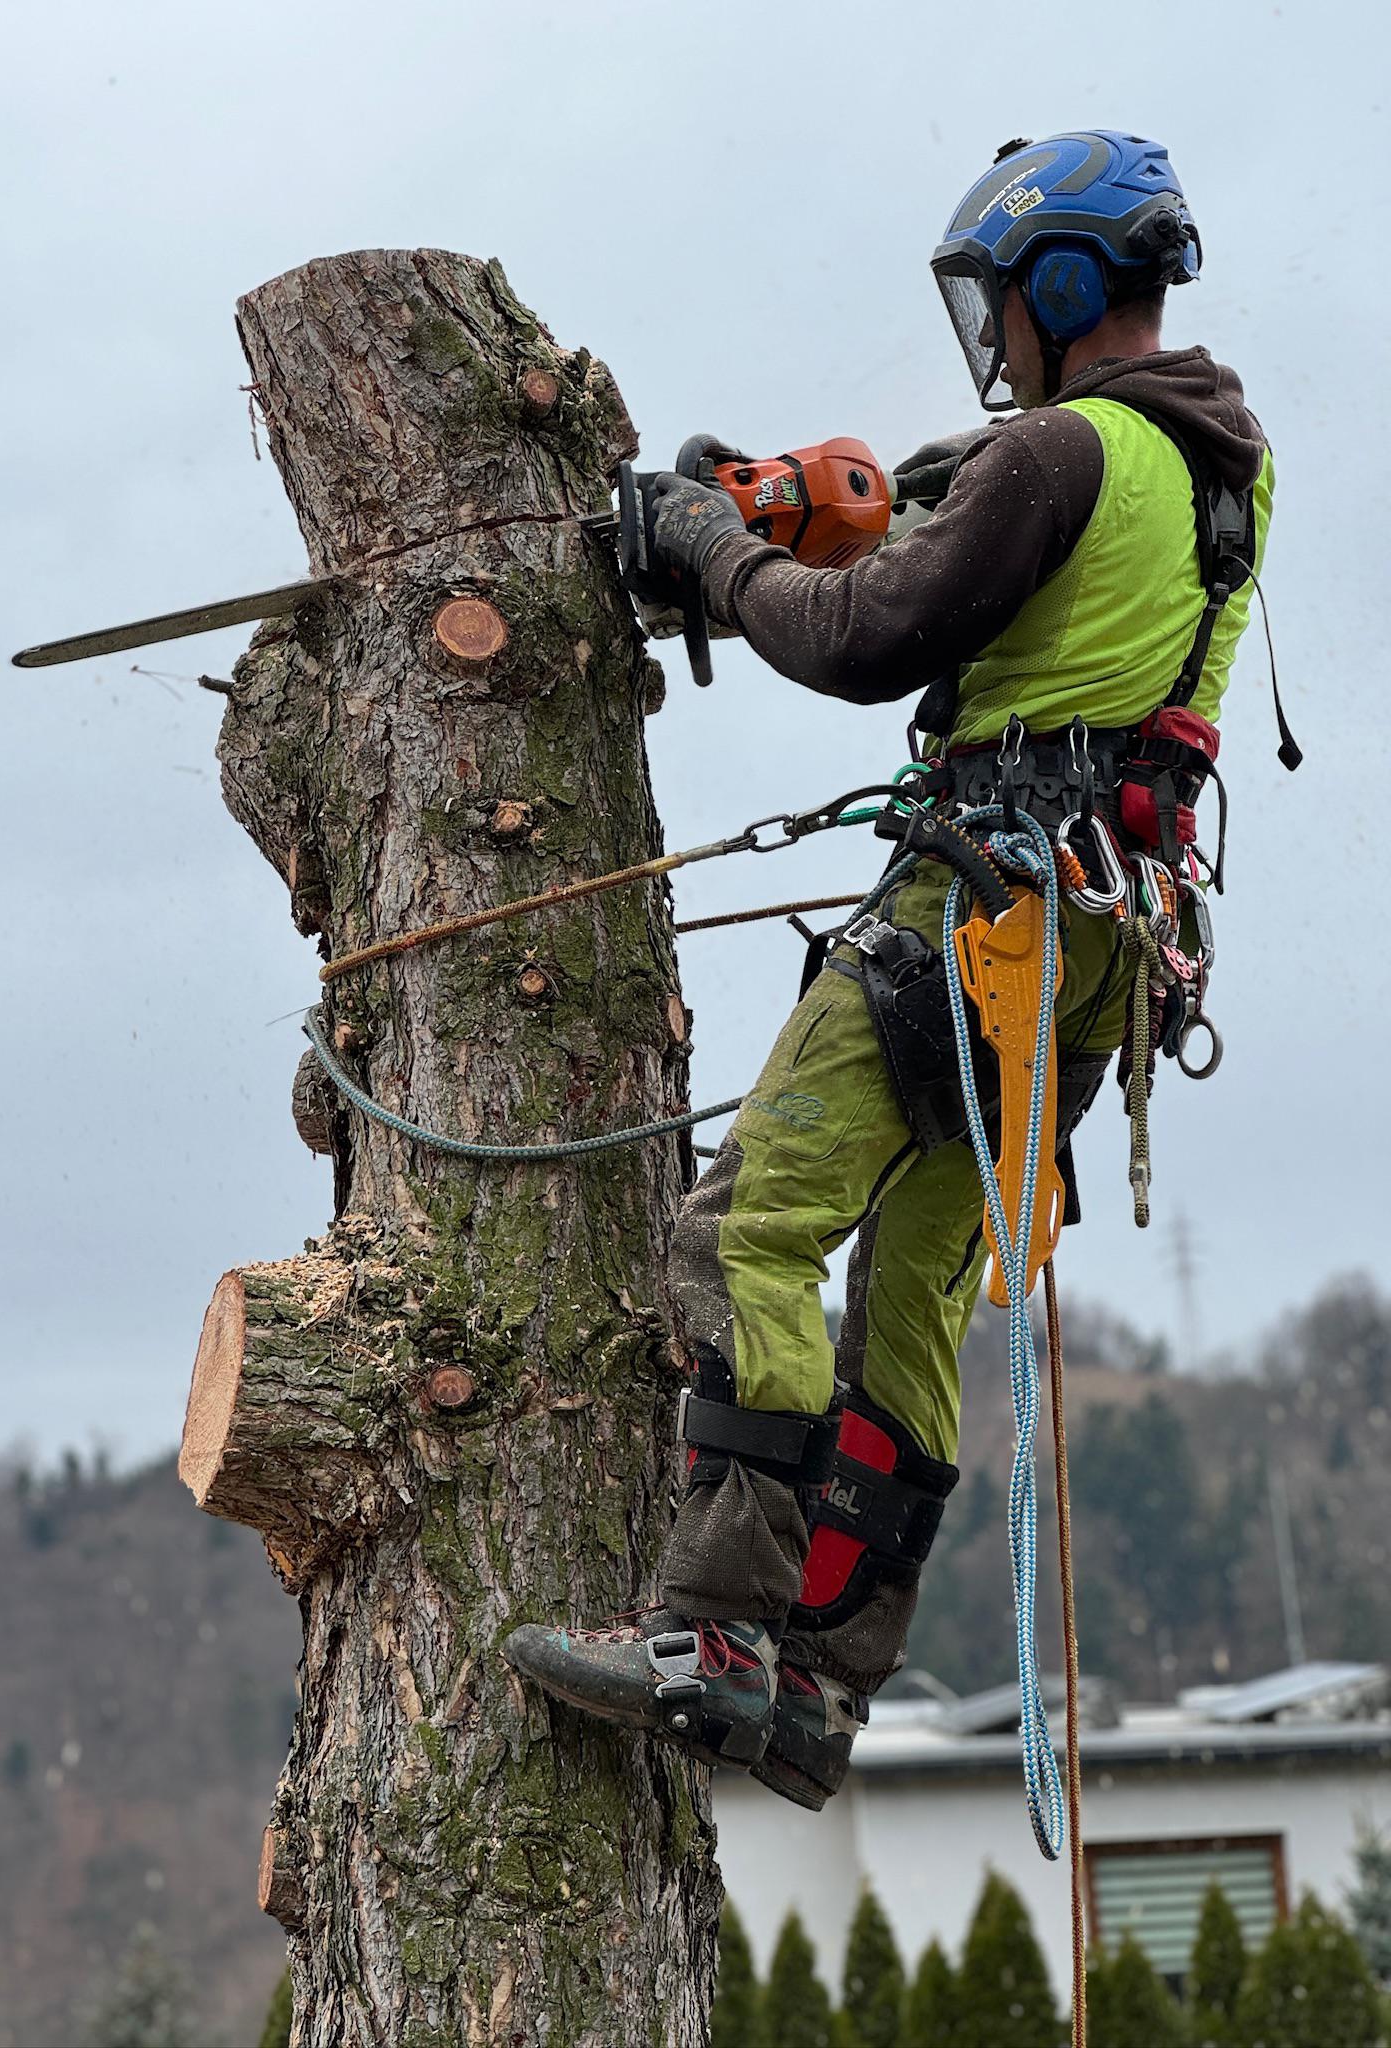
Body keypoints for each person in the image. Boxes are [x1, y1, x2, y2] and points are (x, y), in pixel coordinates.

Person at [505, 130, 1273, 1810]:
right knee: (915, 1289)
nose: (993, 334)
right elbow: (972, 532)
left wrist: (715, 548)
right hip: (1100, 956)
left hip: (977, 909)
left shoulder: (1061, 450)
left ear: (1061, 285)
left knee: (750, 1230)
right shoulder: (1220, 461)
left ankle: (710, 1634)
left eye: (1002, 299)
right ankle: (824, 1684)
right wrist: (796, 496)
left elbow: (866, 642)